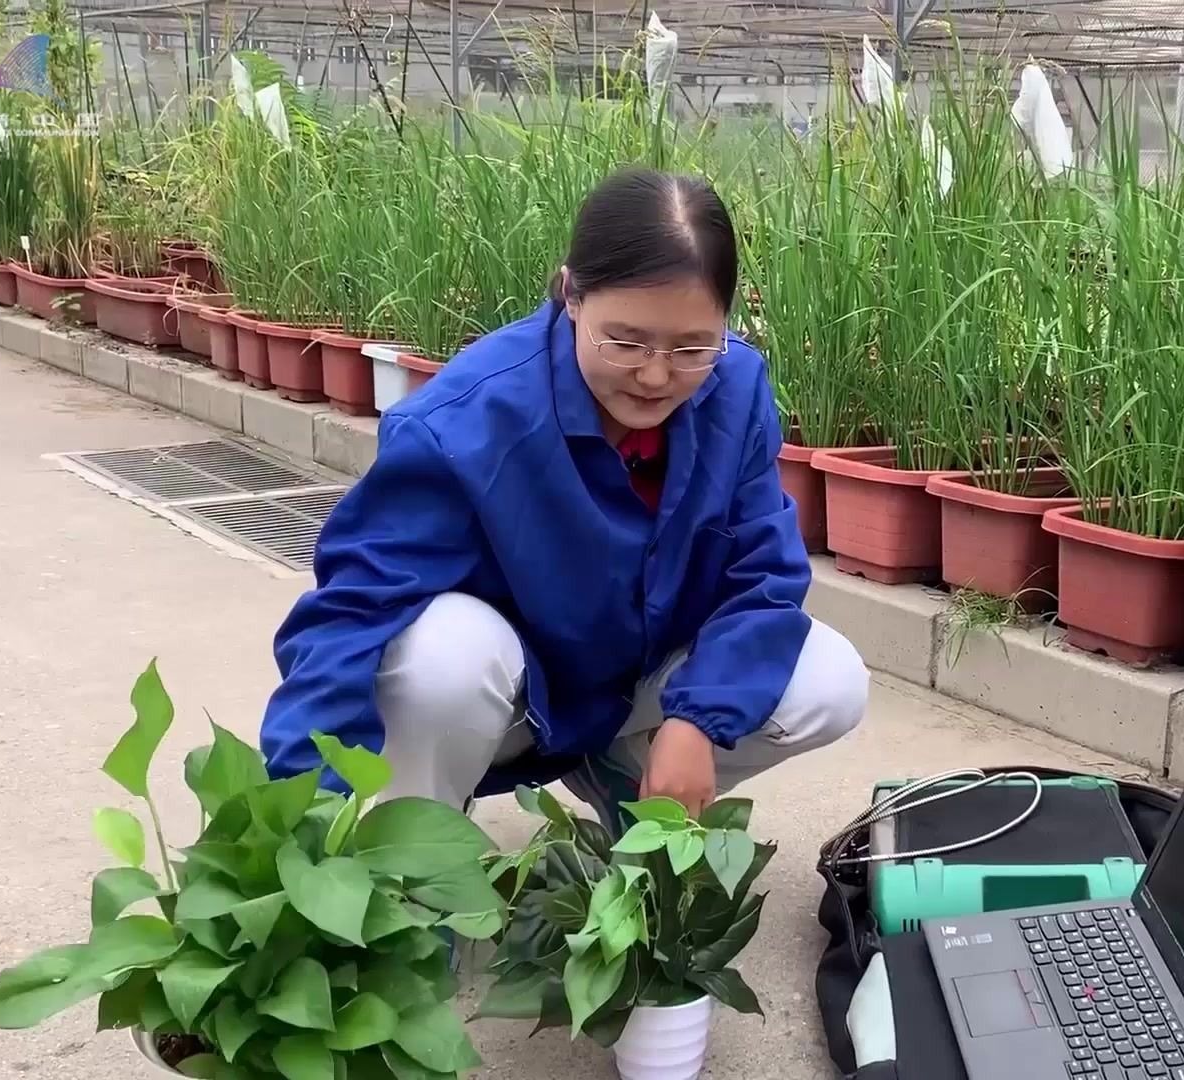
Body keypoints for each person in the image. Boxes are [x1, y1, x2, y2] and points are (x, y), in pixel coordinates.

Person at [259, 168, 869, 827]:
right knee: (442, 657)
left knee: (827, 678)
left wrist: (698, 721)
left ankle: (625, 782)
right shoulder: (467, 424)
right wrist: (304, 821)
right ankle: (416, 856)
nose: (657, 375)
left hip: (632, 681)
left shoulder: (734, 389)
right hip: (519, 698)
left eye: (692, 346)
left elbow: (764, 579)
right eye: (626, 341)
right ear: (570, 295)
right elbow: (352, 613)